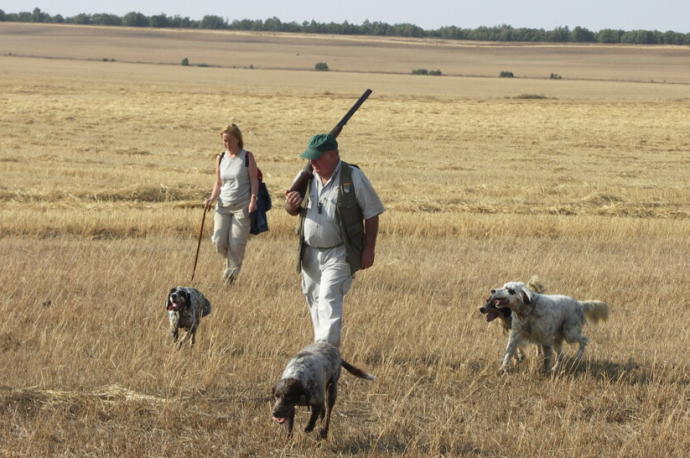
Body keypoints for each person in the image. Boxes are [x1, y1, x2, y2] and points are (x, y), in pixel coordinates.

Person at [284, 133, 385, 347]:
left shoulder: (353, 176)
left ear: (333, 156)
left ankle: (324, 352)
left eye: (317, 158)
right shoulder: (306, 175)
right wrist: (291, 206)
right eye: (310, 158)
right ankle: (324, 348)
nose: (312, 162)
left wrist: (369, 249)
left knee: (329, 298)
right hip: (309, 252)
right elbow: (290, 208)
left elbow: (372, 213)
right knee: (315, 301)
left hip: (340, 251)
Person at [205, 124, 259, 284]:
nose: (226, 143)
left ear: (237, 139)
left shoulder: (247, 157)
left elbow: (254, 181)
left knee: (236, 244)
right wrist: (211, 198)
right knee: (219, 241)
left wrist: (253, 200)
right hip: (222, 206)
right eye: (224, 140)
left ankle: (229, 279)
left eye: (228, 140)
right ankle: (230, 264)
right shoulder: (220, 158)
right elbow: (218, 183)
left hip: (242, 207)